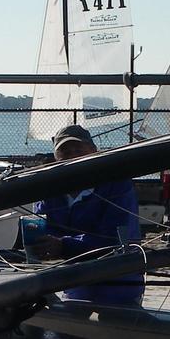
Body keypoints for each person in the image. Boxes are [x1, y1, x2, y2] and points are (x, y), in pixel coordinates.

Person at [30, 124, 144, 307]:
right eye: (65, 152)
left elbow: (114, 239)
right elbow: (42, 226)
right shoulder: (51, 190)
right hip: (75, 282)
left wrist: (63, 245)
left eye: (78, 149)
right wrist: (39, 243)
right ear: (56, 158)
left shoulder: (117, 184)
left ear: (93, 151)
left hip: (118, 283)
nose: (73, 155)